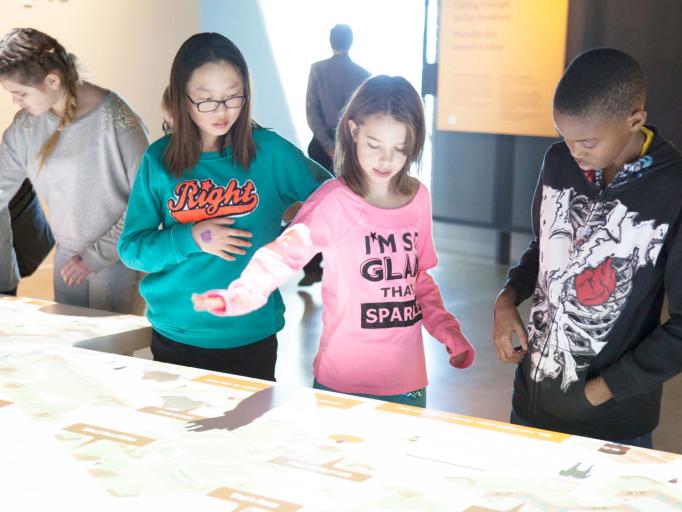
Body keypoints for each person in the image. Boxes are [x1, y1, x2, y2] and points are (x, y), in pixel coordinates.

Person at [193, 75, 475, 407]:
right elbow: (283, 255)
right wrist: (240, 296)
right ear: (354, 131)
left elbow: (418, 280)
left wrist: (447, 330)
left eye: (399, 149)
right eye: (374, 144)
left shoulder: (419, 199)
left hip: (406, 382)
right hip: (342, 383)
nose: (385, 160)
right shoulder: (333, 201)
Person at [492, 48, 682, 448]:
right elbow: (544, 250)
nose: (574, 152)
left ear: (635, 119)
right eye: (565, 137)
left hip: (615, 423)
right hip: (529, 406)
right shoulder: (559, 161)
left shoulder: (680, 188)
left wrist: (600, 390)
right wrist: (507, 300)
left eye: (587, 141)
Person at [118, 32, 331, 381]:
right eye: (206, 100)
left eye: (233, 97)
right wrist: (192, 237)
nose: (221, 111)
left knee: (250, 431)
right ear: (182, 99)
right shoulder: (159, 160)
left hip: (252, 334)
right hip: (178, 334)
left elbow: (334, 201)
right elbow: (131, 249)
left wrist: (292, 236)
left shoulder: (270, 151)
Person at [0, 27, 148, 312]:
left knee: (109, 353)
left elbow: (145, 202)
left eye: (20, 93)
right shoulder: (26, 125)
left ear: (52, 80)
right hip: (68, 259)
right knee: (73, 349)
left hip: (116, 258)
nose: (16, 101)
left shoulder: (117, 120)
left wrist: (93, 258)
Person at [299, 24, 371, 286]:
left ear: (331, 41)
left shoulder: (318, 69)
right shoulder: (363, 74)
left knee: (315, 207)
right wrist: (342, 146)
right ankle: (345, 268)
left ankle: (312, 267)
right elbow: (365, 118)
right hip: (351, 150)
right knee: (348, 209)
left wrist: (328, 144)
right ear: (351, 42)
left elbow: (312, 112)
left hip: (320, 148)